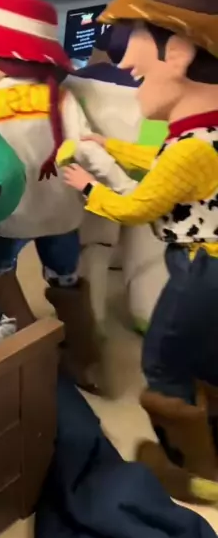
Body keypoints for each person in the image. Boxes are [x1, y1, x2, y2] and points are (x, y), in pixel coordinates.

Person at [63, 0, 218, 499]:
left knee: (164, 361)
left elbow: (140, 206)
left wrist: (88, 186)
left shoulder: (192, 148)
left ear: (179, 50)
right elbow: (164, 163)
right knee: (207, 356)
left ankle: (193, 471)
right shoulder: (203, 135)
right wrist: (115, 147)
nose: (126, 60)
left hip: (200, 267)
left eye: (137, 39)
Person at [0, 0, 133, 391]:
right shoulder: (61, 98)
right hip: (61, 215)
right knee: (66, 279)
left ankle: (26, 346)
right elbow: (89, 150)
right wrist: (124, 187)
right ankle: (86, 360)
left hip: (9, 217)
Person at [66, 23, 168, 335]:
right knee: (149, 252)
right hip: (147, 178)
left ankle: (93, 321)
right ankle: (147, 312)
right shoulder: (165, 88)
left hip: (94, 177)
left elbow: (74, 135)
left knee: (93, 248)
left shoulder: (74, 84)